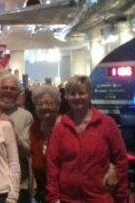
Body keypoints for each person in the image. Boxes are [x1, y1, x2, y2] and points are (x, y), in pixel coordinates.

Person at [46, 75, 128, 203]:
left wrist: (121, 195)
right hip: (67, 199)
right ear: (66, 97)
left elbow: (121, 160)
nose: (77, 97)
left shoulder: (107, 124)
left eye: (81, 93)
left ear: (89, 94)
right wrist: (53, 197)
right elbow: (52, 165)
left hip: (100, 198)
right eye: (72, 94)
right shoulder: (60, 128)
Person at [0, 74, 33, 203]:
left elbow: (27, 152)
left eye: (12, 89)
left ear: (18, 93)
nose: (8, 91)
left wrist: (14, 134)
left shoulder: (26, 116)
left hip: (18, 184)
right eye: (5, 88)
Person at [29, 85, 61, 203]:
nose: (44, 107)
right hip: (40, 192)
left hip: (63, 192)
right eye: (40, 103)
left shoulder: (65, 126)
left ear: (58, 105)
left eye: (49, 103)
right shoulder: (34, 128)